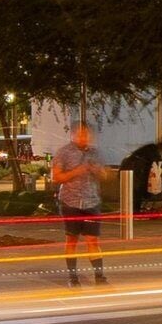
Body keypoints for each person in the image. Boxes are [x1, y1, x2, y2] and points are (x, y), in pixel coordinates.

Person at [51, 122, 110, 285]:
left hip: (92, 202)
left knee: (93, 240)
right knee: (72, 240)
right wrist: (78, 171)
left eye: (87, 134)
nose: (84, 137)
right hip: (71, 203)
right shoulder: (64, 153)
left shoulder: (95, 153)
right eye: (81, 134)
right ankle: (73, 277)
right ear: (73, 135)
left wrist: (97, 170)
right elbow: (57, 177)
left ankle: (100, 276)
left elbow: (104, 176)